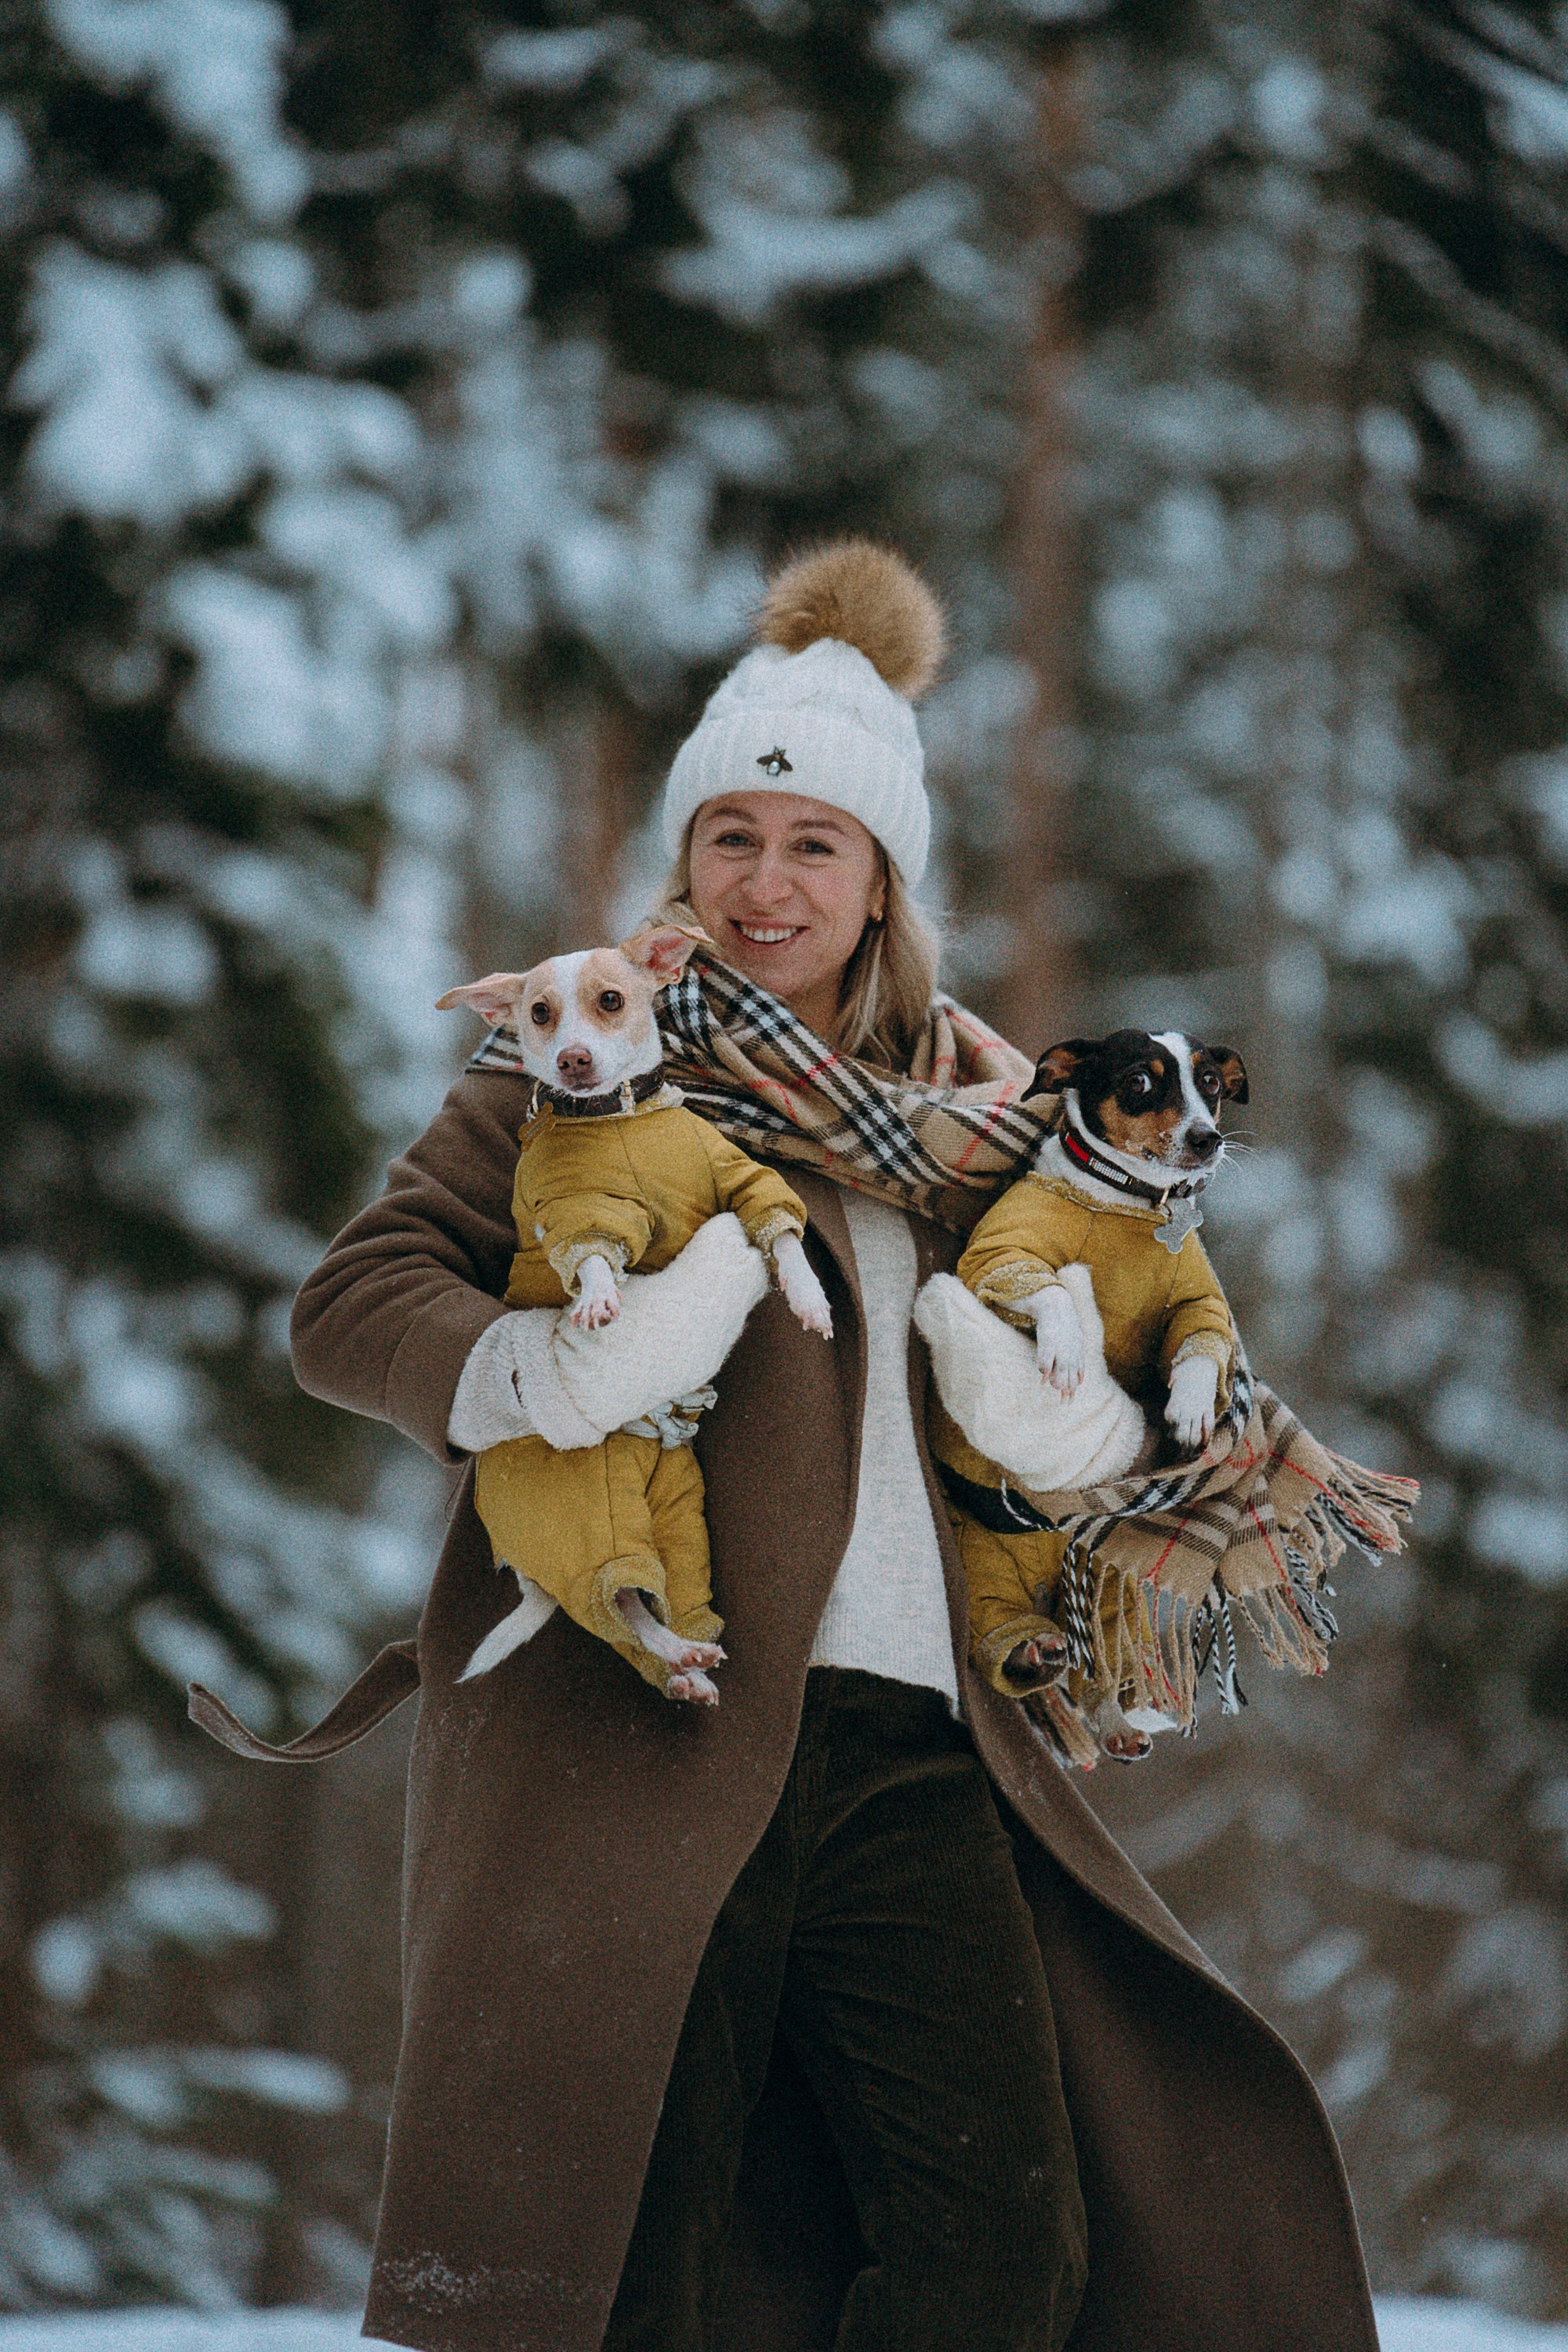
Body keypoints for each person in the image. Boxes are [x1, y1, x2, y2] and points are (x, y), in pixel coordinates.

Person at [195, 542, 1381, 2352]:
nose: (765, 884)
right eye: (729, 840)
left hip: (921, 1755)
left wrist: (1092, 1424)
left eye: (812, 843)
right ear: (684, 861)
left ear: (881, 875)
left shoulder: (999, 1130)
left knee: (1003, 2257)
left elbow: (1132, 1366)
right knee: (635, 2273)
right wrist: (532, 1376)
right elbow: (350, 1303)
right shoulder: (585, 1060)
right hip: (645, 1727)